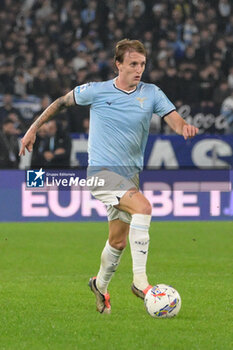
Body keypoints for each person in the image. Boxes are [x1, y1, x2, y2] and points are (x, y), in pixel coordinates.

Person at [19, 39, 198, 314]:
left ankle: (100, 286)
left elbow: (172, 117)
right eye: (133, 64)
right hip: (101, 172)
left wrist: (184, 127)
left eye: (142, 64)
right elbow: (60, 103)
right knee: (144, 207)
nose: (139, 70)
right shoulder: (96, 91)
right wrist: (32, 129)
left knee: (118, 241)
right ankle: (140, 282)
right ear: (119, 64)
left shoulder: (151, 93)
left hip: (130, 175)